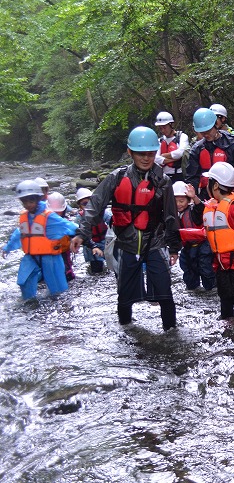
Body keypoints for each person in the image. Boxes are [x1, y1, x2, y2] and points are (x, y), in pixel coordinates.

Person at [70, 127, 182, 330]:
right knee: (125, 296)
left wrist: (174, 247)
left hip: (155, 244)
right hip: (127, 245)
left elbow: (171, 216)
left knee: (165, 293)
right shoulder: (116, 177)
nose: (147, 158)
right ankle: (126, 329)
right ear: (130, 152)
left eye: (150, 154)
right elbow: (95, 205)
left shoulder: (163, 181)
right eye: (141, 153)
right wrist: (82, 232)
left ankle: (171, 333)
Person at [192, 162, 234, 340]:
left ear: (215, 185)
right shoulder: (212, 205)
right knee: (225, 297)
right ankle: (227, 323)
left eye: (209, 182)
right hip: (220, 263)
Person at [2, 180, 77, 301]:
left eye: (31, 200)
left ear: (38, 199)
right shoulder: (24, 217)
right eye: (24, 201)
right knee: (23, 282)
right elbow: (18, 234)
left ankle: (61, 308)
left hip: (50, 257)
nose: (28, 204)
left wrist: (84, 240)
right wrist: (8, 248)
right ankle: (29, 304)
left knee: (58, 291)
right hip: (31, 256)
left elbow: (70, 227)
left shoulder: (49, 216)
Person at [185, 107, 234, 201]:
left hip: (232, 194)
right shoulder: (197, 149)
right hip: (207, 196)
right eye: (203, 133)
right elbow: (192, 177)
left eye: (208, 131)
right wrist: (193, 199)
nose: (206, 135)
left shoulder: (232, 143)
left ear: (215, 125)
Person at [173, 181, 215, 291]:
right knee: (187, 267)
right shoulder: (173, 215)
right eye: (175, 202)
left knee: (205, 267)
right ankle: (192, 288)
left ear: (188, 200)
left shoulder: (193, 211)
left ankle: (211, 288)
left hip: (203, 244)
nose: (178, 204)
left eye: (181, 201)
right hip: (187, 246)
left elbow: (201, 208)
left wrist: (194, 197)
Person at [74, 187, 110, 275]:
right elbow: (76, 231)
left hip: (103, 242)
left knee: (110, 262)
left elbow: (113, 221)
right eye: (85, 204)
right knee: (96, 269)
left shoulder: (102, 213)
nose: (89, 206)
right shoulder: (79, 218)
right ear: (80, 206)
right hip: (90, 247)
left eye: (91, 202)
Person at [46, 192, 76, 281]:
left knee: (67, 273)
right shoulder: (43, 223)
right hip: (50, 253)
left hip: (63, 252)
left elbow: (77, 232)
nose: (56, 215)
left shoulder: (66, 224)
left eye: (58, 212)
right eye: (54, 212)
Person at [154, 111, 190, 182]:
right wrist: (175, 159)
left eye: (164, 127)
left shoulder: (182, 137)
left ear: (171, 125)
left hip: (180, 174)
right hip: (164, 176)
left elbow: (180, 153)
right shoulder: (159, 141)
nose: (163, 130)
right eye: (160, 128)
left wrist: (164, 155)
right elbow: (155, 158)